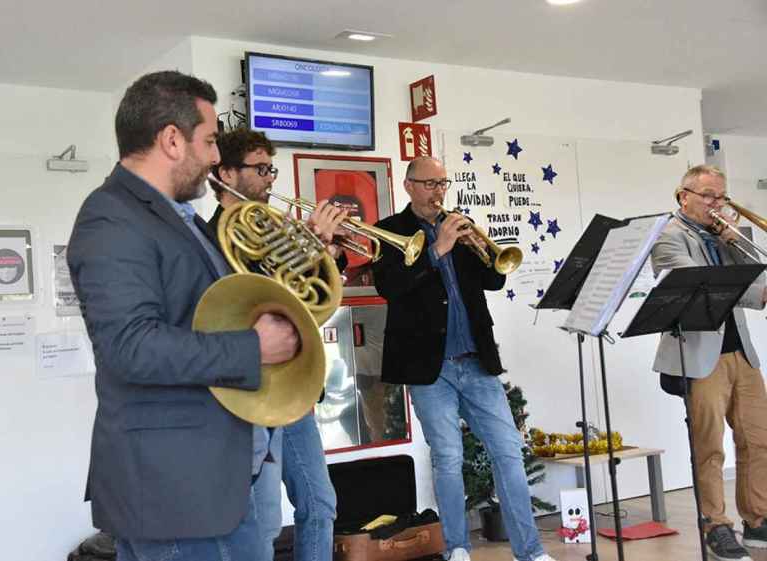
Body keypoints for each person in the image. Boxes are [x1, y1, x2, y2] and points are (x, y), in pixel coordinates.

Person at [67, 70, 301, 561]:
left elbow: (217, 308)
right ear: (172, 140)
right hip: (173, 492)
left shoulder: (179, 217)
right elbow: (130, 348)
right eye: (211, 141)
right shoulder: (110, 217)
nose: (217, 157)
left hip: (218, 479)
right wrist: (254, 347)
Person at [370, 156, 556, 561]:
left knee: (508, 452)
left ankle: (532, 551)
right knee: (449, 457)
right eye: (430, 183)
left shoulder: (460, 223)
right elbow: (391, 287)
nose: (439, 191)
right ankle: (457, 548)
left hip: (475, 360)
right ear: (409, 186)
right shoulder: (389, 231)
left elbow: (493, 279)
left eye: (443, 183)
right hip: (427, 367)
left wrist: (483, 248)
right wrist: (437, 250)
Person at [208, 127, 345, 561]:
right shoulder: (211, 240)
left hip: (292, 391)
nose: (270, 179)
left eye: (272, 168)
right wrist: (310, 247)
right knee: (263, 525)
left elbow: (307, 307)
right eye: (261, 168)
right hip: (253, 397)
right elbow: (252, 305)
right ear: (226, 173)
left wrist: (316, 254)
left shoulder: (275, 230)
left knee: (321, 504)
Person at [651, 164, 767, 561]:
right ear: (683, 195)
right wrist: (731, 243)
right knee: (709, 447)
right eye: (709, 196)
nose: (718, 204)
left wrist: (761, 290)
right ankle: (716, 525)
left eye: (722, 196)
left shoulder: (724, 237)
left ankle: (758, 520)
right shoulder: (668, 235)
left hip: (741, 351)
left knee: (758, 439)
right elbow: (698, 283)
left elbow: (750, 284)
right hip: (701, 354)